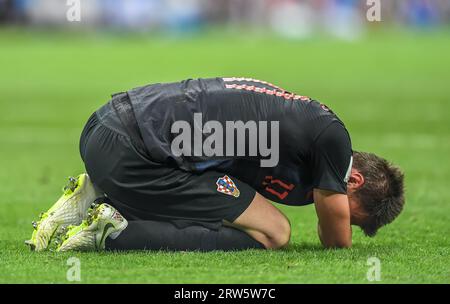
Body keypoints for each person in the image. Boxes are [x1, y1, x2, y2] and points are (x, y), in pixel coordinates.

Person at [26, 77, 405, 252]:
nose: (339, 219)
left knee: (226, 205)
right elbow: (335, 240)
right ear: (352, 179)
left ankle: (91, 194)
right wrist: (339, 228)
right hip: (130, 154)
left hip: (103, 128)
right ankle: (115, 230)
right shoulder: (334, 140)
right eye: (352, 215)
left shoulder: (297, 124)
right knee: (275, 232)